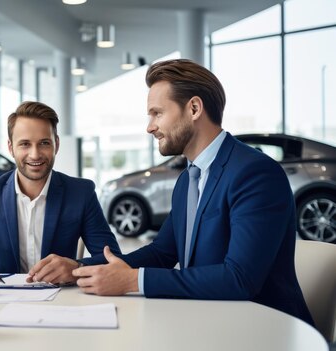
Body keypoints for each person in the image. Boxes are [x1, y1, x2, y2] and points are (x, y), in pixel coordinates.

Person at [72, 59, 314, 325]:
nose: (150, 126)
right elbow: (162, 253)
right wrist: (80, 269)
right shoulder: (187, 179)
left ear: (194, 108)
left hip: (264, 331)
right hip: (207, 322)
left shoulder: (255, 174)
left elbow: (239, 279)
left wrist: (133, 280)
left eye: (157, 113)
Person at [0, 101, 121, 284]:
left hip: (62, 299)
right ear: (11, 147)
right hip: (7, 299)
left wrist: (77, 267)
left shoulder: (80, 193)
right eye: (25, 144)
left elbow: (112, 258)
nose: (35, 154)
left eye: (44, 143)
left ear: (56, 145)